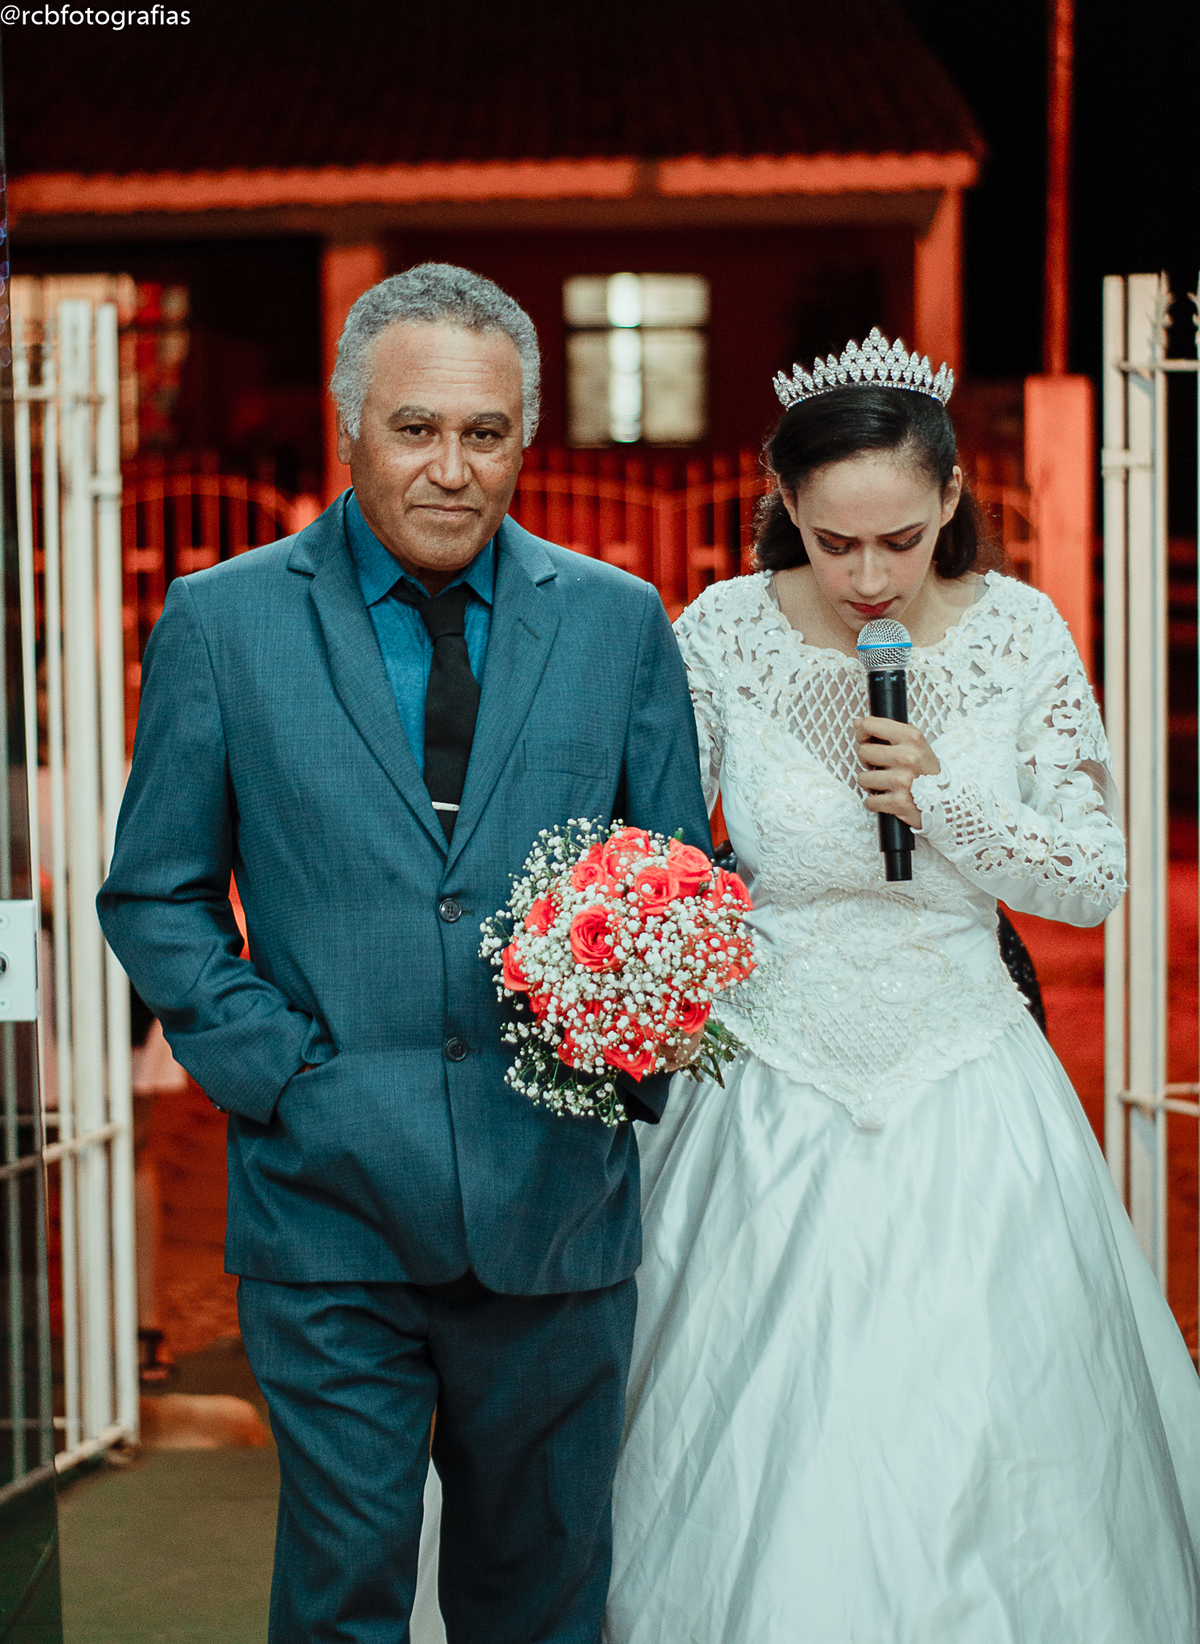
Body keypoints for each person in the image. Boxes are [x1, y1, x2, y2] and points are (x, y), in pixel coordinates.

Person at [97, 263, 711, 1643]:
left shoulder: (616, 621)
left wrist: (616, 1066)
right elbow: (156, 896)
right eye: (415, 428)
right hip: (325, 1204)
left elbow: (673, 883)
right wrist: (279, 1072)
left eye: (485, 433)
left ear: (525, 437)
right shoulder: (221, 620)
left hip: (553, 1206)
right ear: (348, 427)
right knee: (345, 1599)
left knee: (539, 1603)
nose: (451, 468)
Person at [603, 334, 1200, 1641]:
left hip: (965, 1076)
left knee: (978, 1428)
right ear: (785, 505)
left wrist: (946, 804)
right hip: (766, 1082)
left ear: (952, 500)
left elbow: (1094, 878)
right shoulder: (722, 633)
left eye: (902, 541)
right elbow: (659, 852)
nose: (869, 578)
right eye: (834, 543)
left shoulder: (1019, 632)